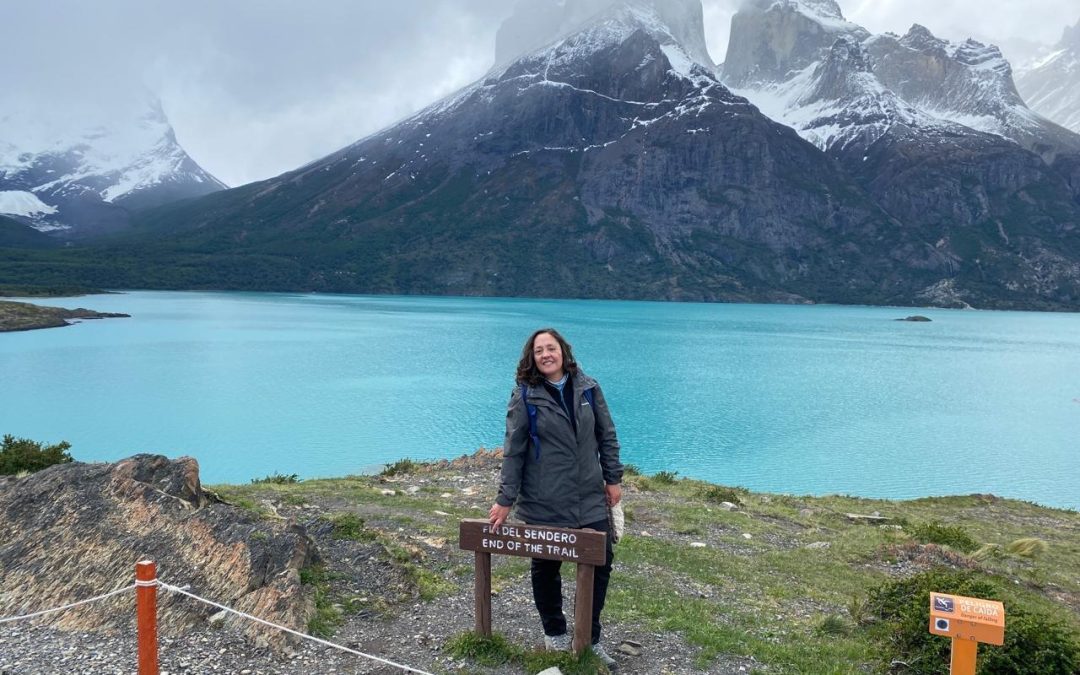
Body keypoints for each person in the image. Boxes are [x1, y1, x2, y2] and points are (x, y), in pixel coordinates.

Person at [489, 328, 623, 668]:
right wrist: (505, 499)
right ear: (531, 358)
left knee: (600, 563)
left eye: (551, 348)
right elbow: (514, 451)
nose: (546, 354)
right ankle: (556, 635)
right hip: (544, 500)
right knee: (546, 567)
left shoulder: (589, 389)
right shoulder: (525, 395)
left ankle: (588, 639)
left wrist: (613, 478)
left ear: (563, 351)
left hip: (590, 496)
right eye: (539, 351)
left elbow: (606, 435)